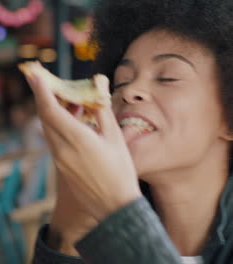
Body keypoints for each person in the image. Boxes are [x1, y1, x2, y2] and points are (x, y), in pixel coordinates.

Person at [29, 0, 233, 263]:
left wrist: (117, 209)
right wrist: (69, 226)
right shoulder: (99, 237)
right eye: (121, 80)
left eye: (167, 77)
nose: (128, 91)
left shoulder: (113, 221)